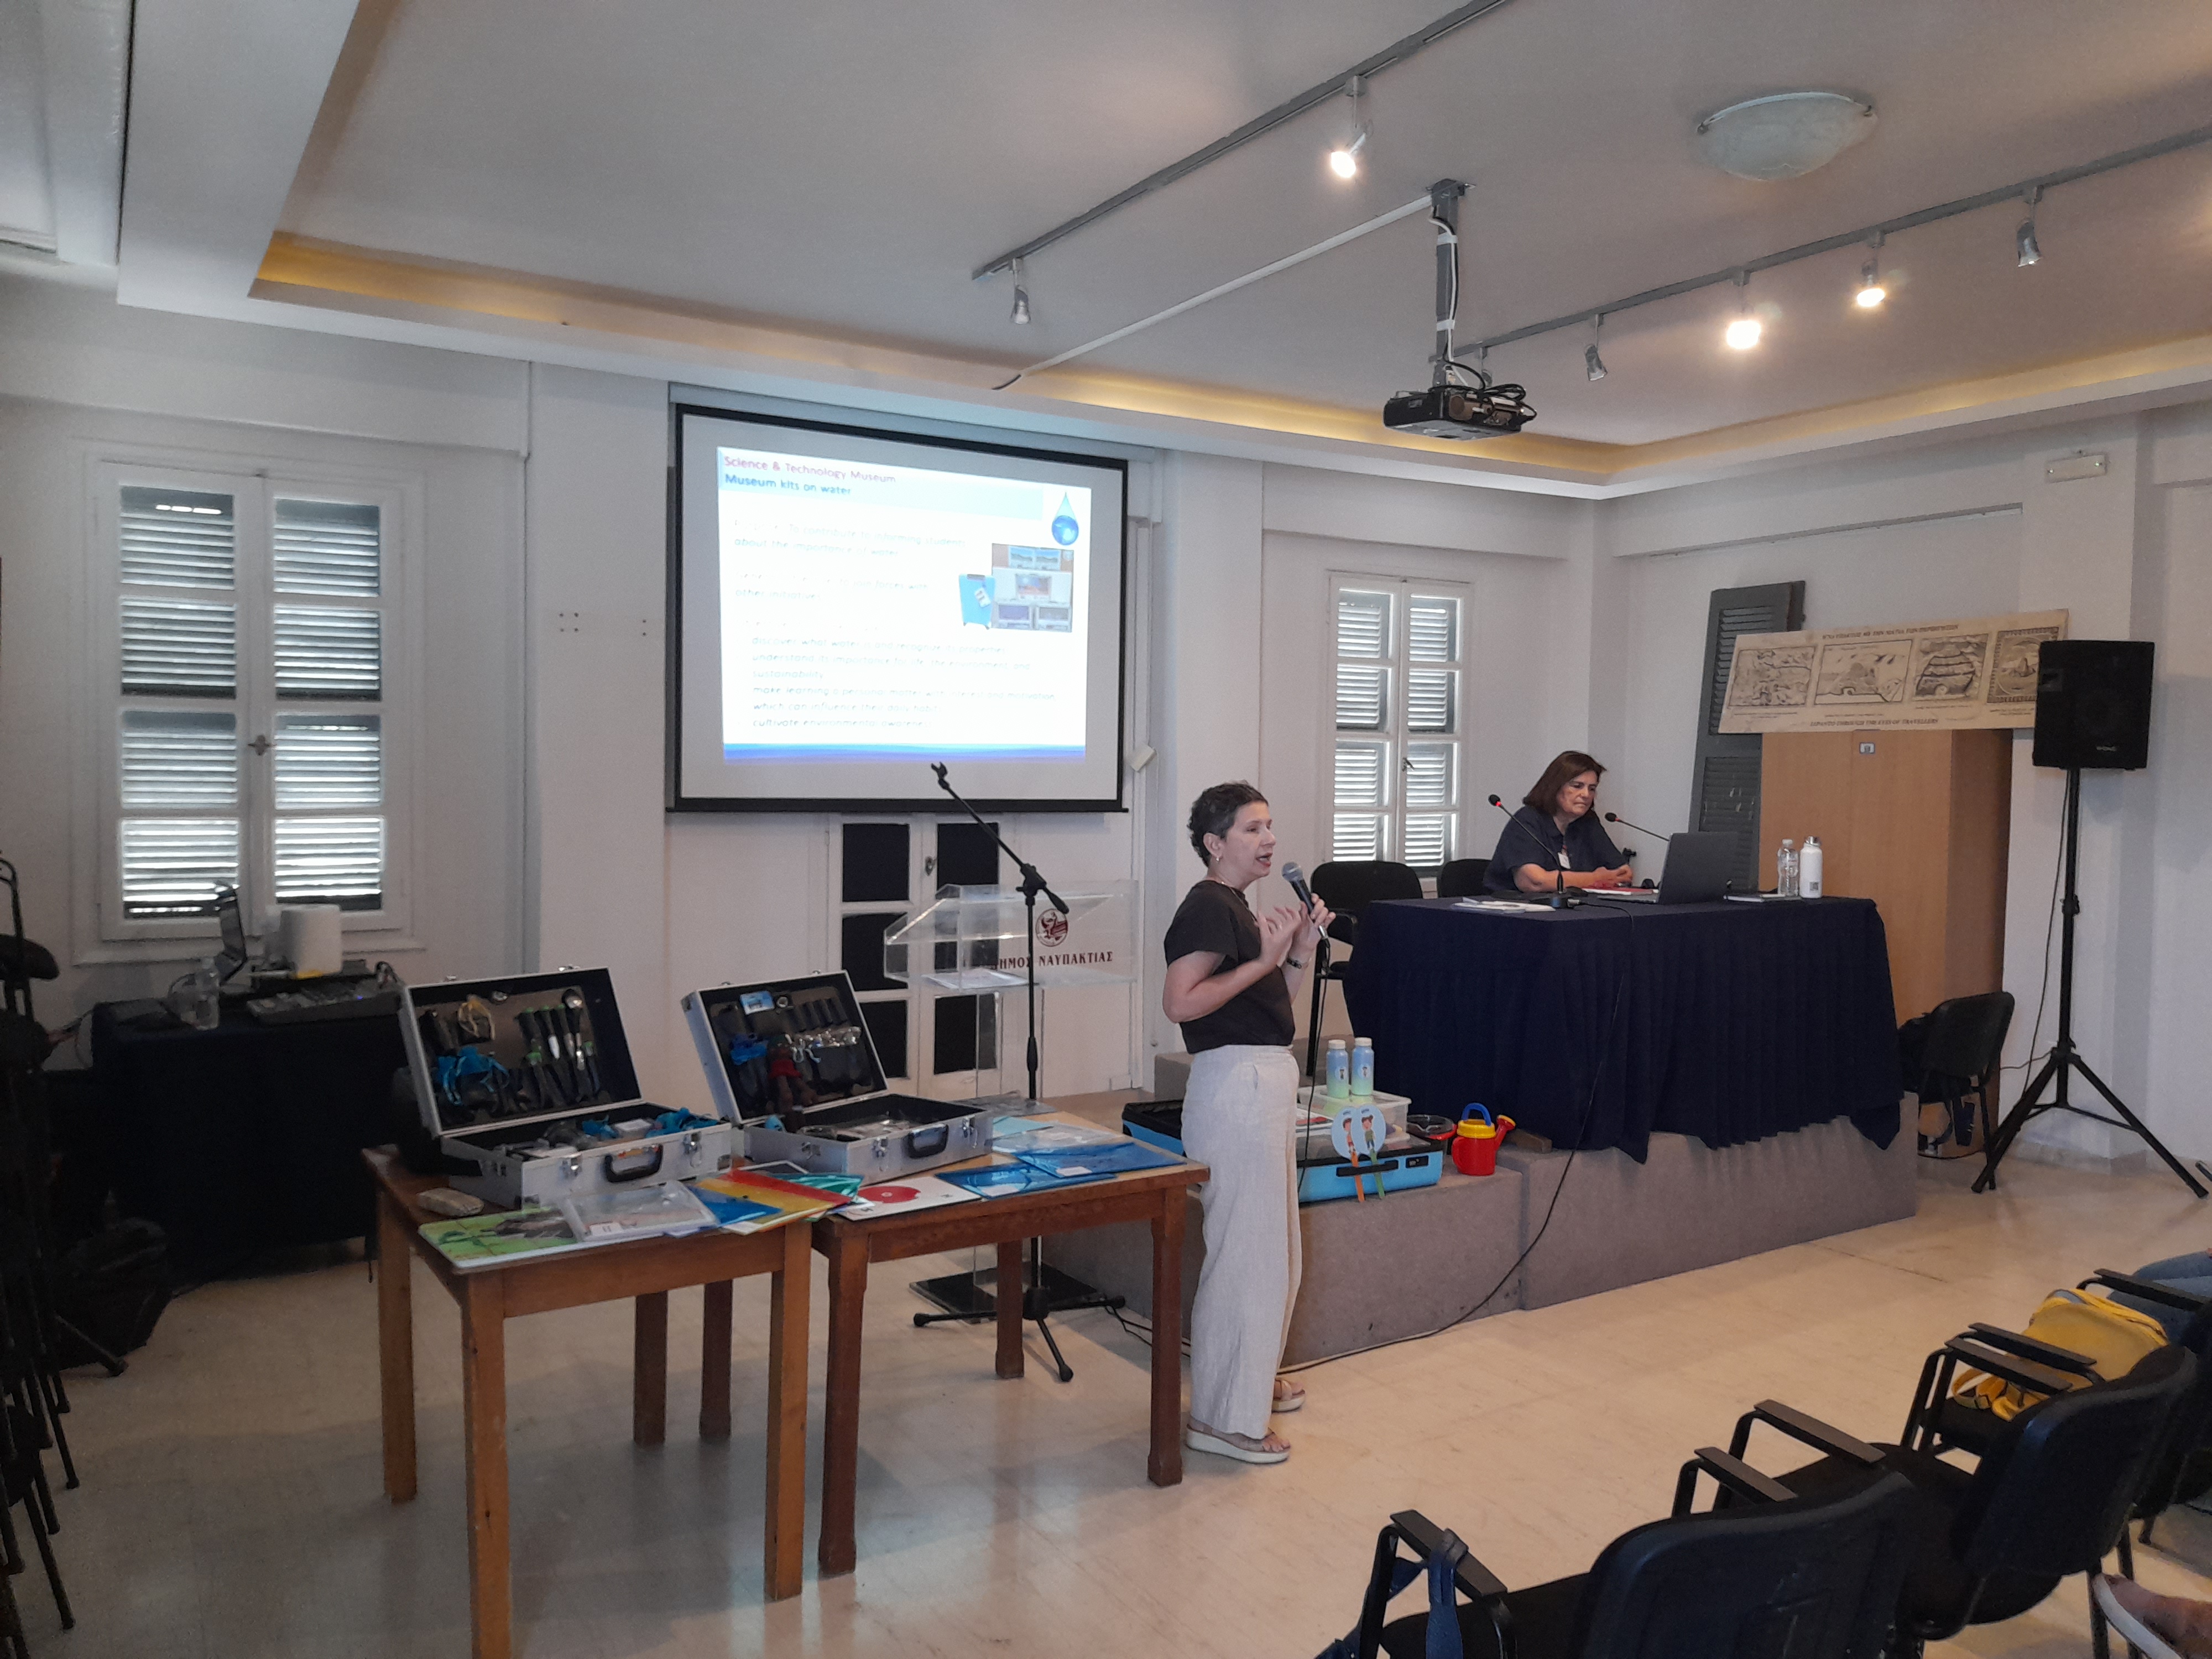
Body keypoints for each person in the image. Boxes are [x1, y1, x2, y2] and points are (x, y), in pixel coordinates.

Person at [1162, 781, 1330, 1465]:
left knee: (1274, 1253)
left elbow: (1269, 1008)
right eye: (1252, 829)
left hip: (1260, 1079)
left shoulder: (1238, 907)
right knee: (1245, 1257)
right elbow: (1181, 1003)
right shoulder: (1207, 906)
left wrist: (1298, 952)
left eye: (1270, 826)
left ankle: (1249, 1381)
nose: (1269, 840)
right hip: (1234, 1089)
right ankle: (1220, 1418)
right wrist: (1264, 958)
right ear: (1215, 843)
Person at [1483, 749, 1634, 896]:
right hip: (1517, 909)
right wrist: (1597, 879)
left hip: (1574, 907)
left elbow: (1624, 874)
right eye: (1577, 786)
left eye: (1592, 789)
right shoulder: (1527, 820)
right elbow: (1534, 882)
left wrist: (1602, 879)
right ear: (1555, 787)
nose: (1586, 795)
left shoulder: (1588, 823)